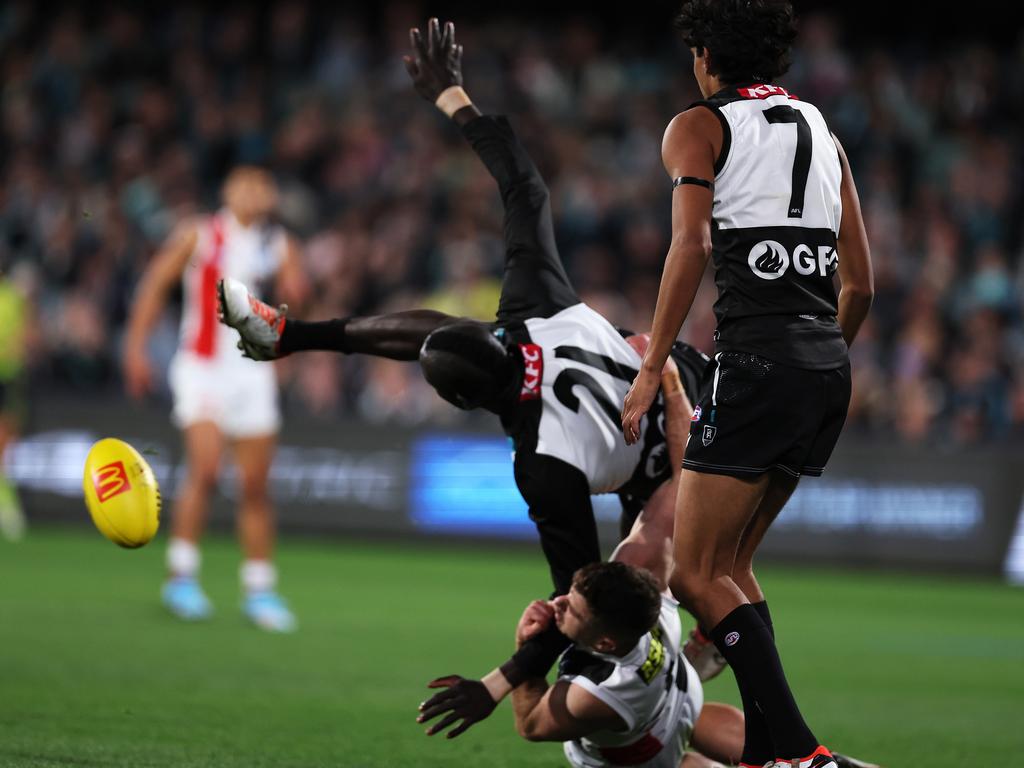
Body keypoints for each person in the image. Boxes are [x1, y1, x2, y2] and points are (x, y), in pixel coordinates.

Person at [219, 18, 710, 692]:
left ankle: (698, 671)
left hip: (688, 445)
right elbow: (524, 184)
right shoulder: (534, 310)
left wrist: (497, 685)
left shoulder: (543, 461)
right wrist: (452, 95)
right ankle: (290, 335)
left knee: (642, 598)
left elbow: (573, 596)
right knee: (651, 595)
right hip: (691, 383)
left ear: (465, 404)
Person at [620, 2, 873, 768]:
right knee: (732, 570)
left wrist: (650, 366)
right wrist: (818, 358)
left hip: (758, 362)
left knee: (695, 575)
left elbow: (690, 244)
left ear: (704, 56)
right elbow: (860, 285)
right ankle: (765, 752)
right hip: (826, 366)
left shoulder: (698, 126)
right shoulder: (822, 130)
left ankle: (800, 752)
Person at [123, 166, 307, 632]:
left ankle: (259, 588)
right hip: (202, 368)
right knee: (205, 469)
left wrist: (293, 307)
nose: (253, 192)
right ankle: (181, 577)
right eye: (244, 183)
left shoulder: (279, 243)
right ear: (227, 191)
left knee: (255, 485)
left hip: (252, 373)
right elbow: (154, 283)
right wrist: (135, 348)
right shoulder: (199, 233)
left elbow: (297, 299)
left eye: (262, 185)